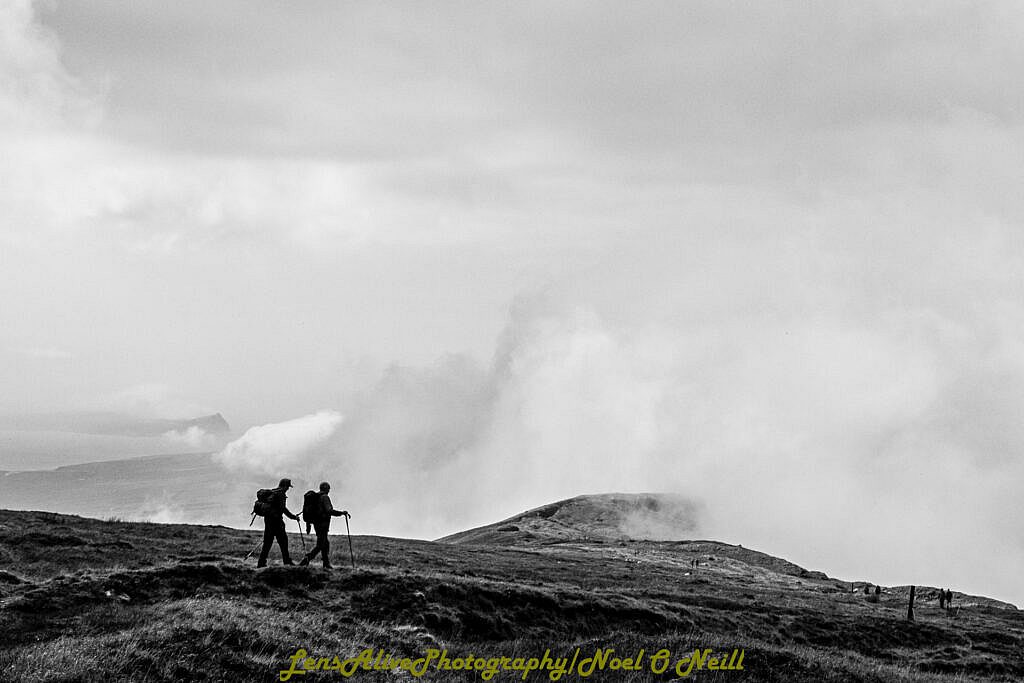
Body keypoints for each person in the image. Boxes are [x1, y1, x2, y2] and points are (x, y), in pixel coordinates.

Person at [299, 481, 349, 569]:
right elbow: (329, 510)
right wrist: (341, 513)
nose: (329, 490)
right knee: (320, 544)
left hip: (316, 524)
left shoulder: (316, 497)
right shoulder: (325, 497)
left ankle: (326, 563)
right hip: (323, 524)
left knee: (325, 543)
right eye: (328, 489)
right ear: (326, 489)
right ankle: (307, 559)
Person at [257, 478, 300, 568]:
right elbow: (283, 509)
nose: (288, 489)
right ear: (284, 486)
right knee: (283, 541)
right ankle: (287, 561)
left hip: (268, 520)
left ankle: (261, 563)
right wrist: (293, 517)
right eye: (288, 486)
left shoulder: (273, 492)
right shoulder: (281, 494)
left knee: (267, 542)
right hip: (276, 521)